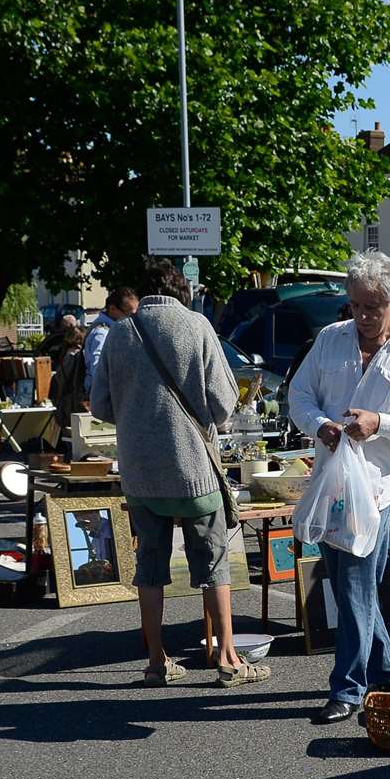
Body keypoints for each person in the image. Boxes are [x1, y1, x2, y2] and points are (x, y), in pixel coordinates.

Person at [89, 262, 269, 689]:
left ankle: (156, 662)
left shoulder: (119, 333)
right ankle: (227, 659)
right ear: (182, 291)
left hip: (140, 476)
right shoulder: (197, 326)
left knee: (149, 568)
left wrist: (137, 418)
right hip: (193, 471)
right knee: (214, 565)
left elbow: (99, 406)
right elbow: (224, 402)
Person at [289, 251, 390, 724]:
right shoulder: (330, 340)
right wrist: (320, 426)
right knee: (354, 586)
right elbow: (300, 394)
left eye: (374, 306)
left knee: (354, 585)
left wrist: (381, 423)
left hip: (375, 487)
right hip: (331, 481)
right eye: (356, 305)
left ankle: (348, 688)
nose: (365, 316)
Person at [84, 287, 138, 382]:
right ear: (112, 309)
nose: (133, 319)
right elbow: (97, 371)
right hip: (103, 394)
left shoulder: (114, 330)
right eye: (129, 314)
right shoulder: (102, 333)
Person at [50, 324, 86, 455]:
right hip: (72, 400)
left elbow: (60, 379)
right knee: (74, 435)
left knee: (69, 435)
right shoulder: (75, 356)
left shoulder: (67, 355)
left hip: (65, 400)